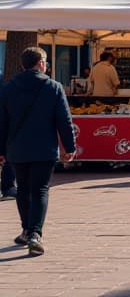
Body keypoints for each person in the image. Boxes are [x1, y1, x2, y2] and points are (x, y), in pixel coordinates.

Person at [0, 47, 77, 256]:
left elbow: (2, 122)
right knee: (40, 190)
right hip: (44, 149)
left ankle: (26, 230)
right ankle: (35, 233)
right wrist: (69, 147)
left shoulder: (8, 89)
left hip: (17, 149)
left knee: (23, 189)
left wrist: (1, 149)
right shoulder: (53, 87)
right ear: (41, 63)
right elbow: (64, 120)